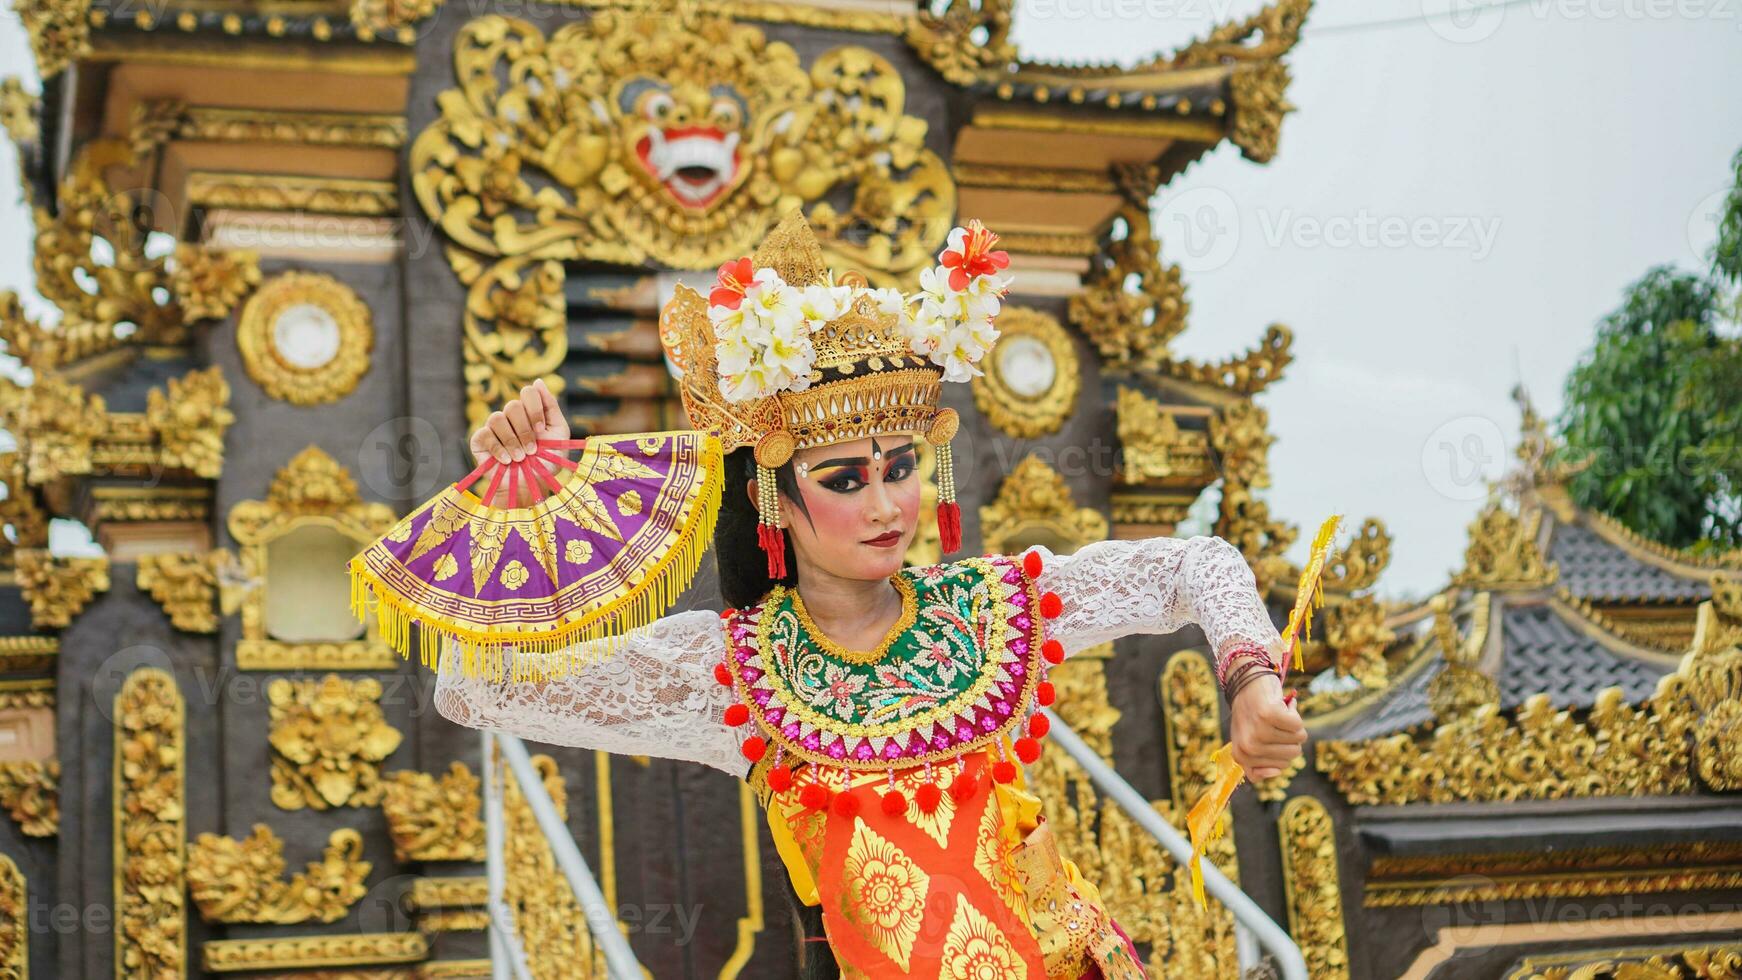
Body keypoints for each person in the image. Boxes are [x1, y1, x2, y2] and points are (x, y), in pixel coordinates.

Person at [431, 214, 1307, 978]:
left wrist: (1249, 678)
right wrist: (523, 503)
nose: (887, 507)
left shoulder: (991, 609)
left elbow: (1199, 564)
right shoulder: (730, 674)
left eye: (902, 469)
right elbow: (474, 686)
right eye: (847, 478)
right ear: (771, 493)